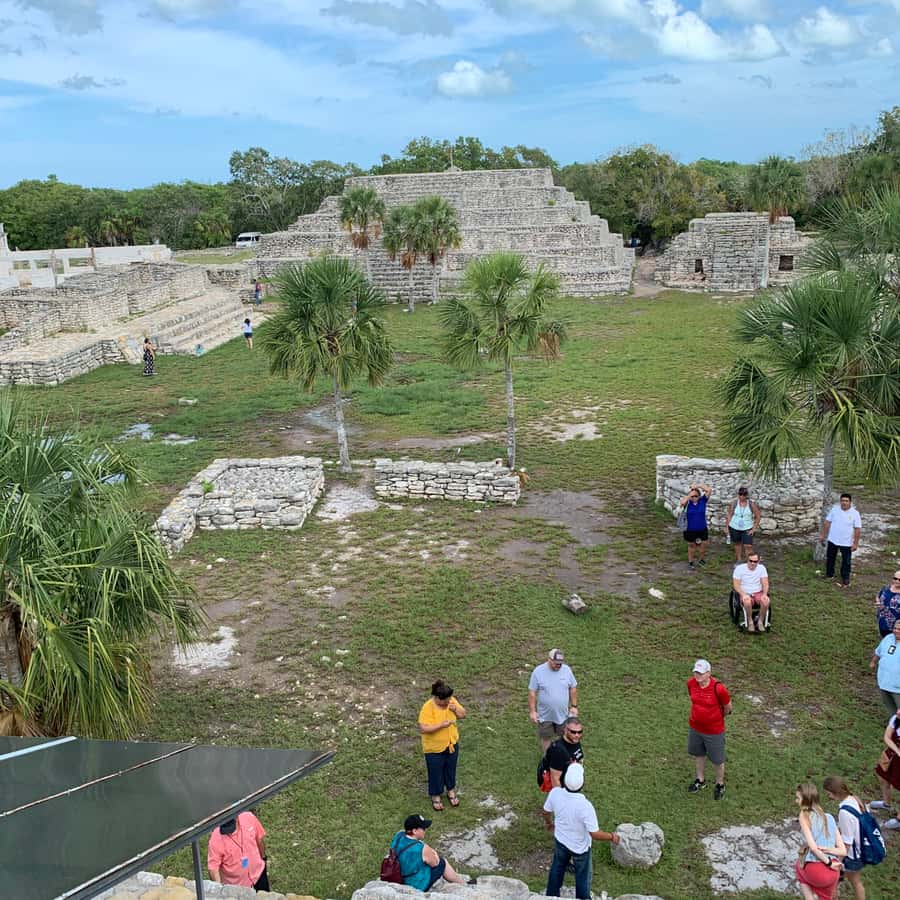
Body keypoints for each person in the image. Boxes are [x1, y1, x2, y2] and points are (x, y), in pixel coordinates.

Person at [542, 763, 619, 900]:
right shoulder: (585, 806)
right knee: (582, 877)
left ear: (564, 780)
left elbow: (546, 811)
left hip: (560, 841)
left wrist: (549, 824)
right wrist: (612, 836)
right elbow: (594, 834)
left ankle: (551, 896)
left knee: (557, 868)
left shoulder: (555, 793)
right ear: (582, 784)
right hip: (580, 849)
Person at [389, 814, 473, 890]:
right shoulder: (422, 849)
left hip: (399, 876)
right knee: (443, 862)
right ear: (414, 831)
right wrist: (433, 853)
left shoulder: (399, 835)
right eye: (423, 828)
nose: (425, 830)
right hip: (417, 885)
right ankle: (463, 884)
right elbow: (435, 863)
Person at [418, 679, 466, 811]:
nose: (446, 703)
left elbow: (463, 714)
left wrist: (455, 709)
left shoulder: (451, 701)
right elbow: (423, 728)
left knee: (450, 769)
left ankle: (451, 791)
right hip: (434, 749)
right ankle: (436, 796)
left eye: (448, 700)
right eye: (444, 701)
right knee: (435, 772)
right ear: (437, 698)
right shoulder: (428, 707)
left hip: (451, 744)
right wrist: (441, 725)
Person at [794, 782, 846, 900]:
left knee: (798, 867)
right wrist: (829, 851)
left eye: (798, 798)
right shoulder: (830, 818)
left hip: (817, 869)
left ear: (806, 799)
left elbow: (813, 848)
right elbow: (843, 851)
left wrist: (828, 862)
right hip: (833, 873)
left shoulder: (804, 815)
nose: (796, 801)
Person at [687, 659, 731, 800]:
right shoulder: (691, 684)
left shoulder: (718, 688)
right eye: (695, 672)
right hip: (696, 727)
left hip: (714, 730)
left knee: (718, 760)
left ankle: (720, 784)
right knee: (699, 754)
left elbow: (728, 707)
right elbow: (693, 700)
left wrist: (715, 718)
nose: (697, 676)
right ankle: (700, 780)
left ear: (708, 673)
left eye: (700, 673)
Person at [823, 775, 867, 900]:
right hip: (860, 850)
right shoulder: (855, 799)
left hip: (851, 855)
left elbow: (847, 842)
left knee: (833, 883)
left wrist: (836, 861)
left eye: (828, 793)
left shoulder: (844, 813)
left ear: (834, 792)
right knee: (856, 882)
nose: (828, 796)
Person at [529, 648, 578, 751]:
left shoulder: (566, 670)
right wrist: (533, 712)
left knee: (564, 735)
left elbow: (573, 688)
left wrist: (574, 706)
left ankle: (563, 757)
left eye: (560, 663)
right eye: (556, 663)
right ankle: (548, 759)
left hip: (562, 714)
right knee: (546, 737)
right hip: (544, 715)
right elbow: (532, 692)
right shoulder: (538, 672)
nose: (559, 666)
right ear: (549, 660)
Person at [207, 811, 269, 891]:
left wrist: (263, 858)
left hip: (259, 873)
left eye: (230, 827)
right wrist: (219, 890)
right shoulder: (215, 839)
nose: (227, 831)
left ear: (236, 817)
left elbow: (259, 839)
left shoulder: (249, 817)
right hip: (237, 887)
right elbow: (213, 869)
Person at [819, 493, 862, 588]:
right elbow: (827, 522)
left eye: (846, 501)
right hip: (833, 540)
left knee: (846, 561)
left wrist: (855, 543)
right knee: (830, 558)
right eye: (842, 501)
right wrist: (823, 535)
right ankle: (829, 574)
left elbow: (857, 529)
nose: (844, 503)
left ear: (850, 502)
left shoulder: (855, 514)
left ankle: (845, 578)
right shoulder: (834, 510)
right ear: (840, 502)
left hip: (846, 542)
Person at [870, 708, 900, 830]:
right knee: (882, 776)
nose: (898, 711)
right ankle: (886, 803)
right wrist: (897, 751)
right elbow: (887, 737)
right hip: (892, 756)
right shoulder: (895, 719)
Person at [732, 553, 770, 633]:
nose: (753, 563)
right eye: (751, 561)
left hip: (758, 592)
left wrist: (764, 594)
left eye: (755, 561)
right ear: (747, 560)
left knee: (766, 601)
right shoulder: (739, 569)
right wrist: (743, 594)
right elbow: (736, 585)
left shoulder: (762, 568)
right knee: (747, 601)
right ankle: (750, 621)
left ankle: (760, 621)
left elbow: (765, 583)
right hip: (745, 592)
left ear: (758, 561)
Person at [869, 619, 900, 718]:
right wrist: (873, 662)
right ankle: (895, 729)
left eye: (899, 629)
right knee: (892, 712)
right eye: (895, 628)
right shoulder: (888, 638)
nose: (896, 631)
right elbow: (878, 652)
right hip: (884, 683)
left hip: (898, 688)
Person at [546, 716, 584, 789]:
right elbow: (555, 778)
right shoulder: (558, 750)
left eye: (580, 732)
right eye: (573, 732)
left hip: (573, 785)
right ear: (565, 730)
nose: (577, 735)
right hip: (565, 789)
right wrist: (561, 797)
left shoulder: (574, 741)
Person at [725, 486, 760, 563]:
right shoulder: (734, 503)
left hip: (747, 528)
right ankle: (739, 560)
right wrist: (727, 527)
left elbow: (758, 516)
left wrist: (754, 529)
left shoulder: (751, 504)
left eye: (744, 494)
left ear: (747, 495)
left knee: (748, 546)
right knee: (737, 544)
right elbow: (729, 515)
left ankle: (750, 561)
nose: (742, 496)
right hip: (734, 527)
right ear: (738, 495)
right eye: (740, 494)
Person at [680, 483, 711, 568]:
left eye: (696, 496)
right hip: (690, 529)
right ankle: (691, 561)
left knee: (703, 545)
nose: (694, 498)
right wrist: (690, 494)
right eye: (692, 496)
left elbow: (709, 490)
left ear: (699, 496)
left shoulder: (702, 501)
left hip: (702, 528)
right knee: (691, 546)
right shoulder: (688, 503)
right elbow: (682, 503)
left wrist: (698, 486)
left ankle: (701, 559)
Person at [875, 570, 900, 637]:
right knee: (885, 640)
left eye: (899, 580)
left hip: (896, 627)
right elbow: (878, 595)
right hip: (882, 622)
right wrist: (878, 602)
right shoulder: (886, 588)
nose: (897, 581)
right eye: (895, 578)